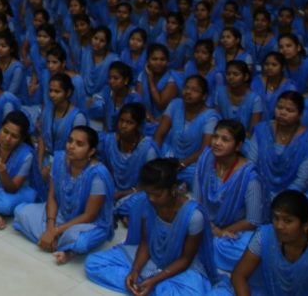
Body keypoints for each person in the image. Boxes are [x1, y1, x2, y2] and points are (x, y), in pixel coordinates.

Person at [84, 158, 218, 295]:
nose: (151, 199)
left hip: (180, 267)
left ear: (172, 189)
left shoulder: (194, 216)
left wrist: (154, 280)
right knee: (93, 263)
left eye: (157, 194)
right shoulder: (146, 203)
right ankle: (146, 286)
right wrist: (134, 271)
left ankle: (149, 286)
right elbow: (145, 244)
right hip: (152, 256)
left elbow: (186, 259)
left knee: (189, 291)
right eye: (148, 193)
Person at [14, 125, 115, 264]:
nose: (71, 146)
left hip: (87, 223)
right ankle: (59, 243)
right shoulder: (59, 160)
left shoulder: (97, 175)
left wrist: (54, 231)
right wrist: (51, 227)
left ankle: (63, 246)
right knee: (20, 212)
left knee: (81, 242)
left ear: (91, 151)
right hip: (61, 215)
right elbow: (52, 197)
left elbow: (89, 215)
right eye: (70, 141)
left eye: (79, 144)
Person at [191, 120, 267, 271]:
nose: (217, 143)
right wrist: (208, 225)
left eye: (225, 140)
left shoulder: (249, 177)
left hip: (234, 232)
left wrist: (221, 232)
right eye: (215, 137)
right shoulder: (206, 158)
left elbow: (253, 220)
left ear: (238, 146)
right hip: (207, 223)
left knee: (245, 248)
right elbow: (196, 198)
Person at [246, 91, 308, 203]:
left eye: (290, 110)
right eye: (279, 107)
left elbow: (302, 181)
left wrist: (281, 199)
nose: (282, 113)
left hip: (296, 194)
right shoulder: (262, 130)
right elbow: (251, 164)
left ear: (300, 115)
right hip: (259, 190)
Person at [155, 75, 220, 186]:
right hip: (170, 155)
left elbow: (204, 150)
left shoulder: (211, 117)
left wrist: (182, 164)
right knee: (149, 151)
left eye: (195, 90)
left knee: (200, 174)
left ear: (204, 96)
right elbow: (159, 135)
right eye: (186, 88)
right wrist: (156, 158)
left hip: (192, 163)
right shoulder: (175, 104)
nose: (188, 92)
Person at [100, 103, 160, 220]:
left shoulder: (147, 149)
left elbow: (152, 184)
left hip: (137, 192)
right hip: (114, 189)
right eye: (121, 121)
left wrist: (123, 193)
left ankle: (120, 212)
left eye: (129, 123)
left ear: (138, 126)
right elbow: (105, 169)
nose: (123, 126)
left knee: (142, 201)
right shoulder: (109, 141)